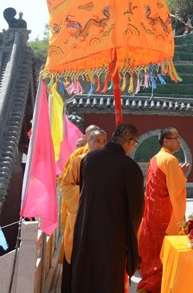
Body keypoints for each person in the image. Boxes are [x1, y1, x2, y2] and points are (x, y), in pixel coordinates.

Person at [71, 123, 144, 293]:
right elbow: (136, 210)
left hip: (86, 229)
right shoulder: (129, 167)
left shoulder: (90, 159)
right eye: (135, 143)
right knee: (108, 279)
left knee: (86, 274)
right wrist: (131, 243)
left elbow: (84, 194)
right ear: (130, 141)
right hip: (112, 236)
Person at [137, 128, 190, 293]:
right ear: (166, 141)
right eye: (175, 138)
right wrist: (182, 174)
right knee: (164, 254)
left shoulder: (155, 158)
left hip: (153, 213)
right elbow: (176, 189)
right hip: (166, 215)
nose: (178, 141)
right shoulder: (170, 160)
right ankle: (153, 287)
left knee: (153, 252)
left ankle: (147, 285)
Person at [59, 129, 107, 293]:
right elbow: (65, 185)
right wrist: (86, 196)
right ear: (89, 142)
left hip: (101, 219)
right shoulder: (78, 160)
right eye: (97, 141)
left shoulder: (110, 163)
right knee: (77, 256)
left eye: (103, 141)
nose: (100, 145)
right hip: (80, 216)